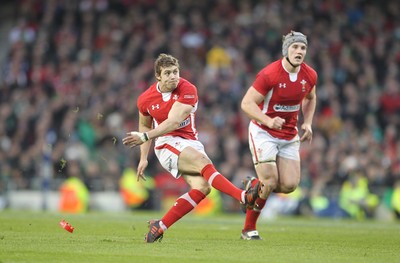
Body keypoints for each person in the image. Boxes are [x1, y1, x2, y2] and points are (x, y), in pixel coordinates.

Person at [122, 53, 261, 243]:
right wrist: (143, 157)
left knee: (203, 188)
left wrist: (145, 136)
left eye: (175, 72)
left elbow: (173, 121)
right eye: (168, 73)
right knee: (203, 162)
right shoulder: (145, 99)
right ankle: (243, 197)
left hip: (190, 141)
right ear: (158, 76)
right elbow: (145, 125)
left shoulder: (187, 89)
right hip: (165, 144)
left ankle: (160, 226)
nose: (173, 76)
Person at [239, 31, 317, 240]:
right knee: (271, 181)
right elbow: (246, 103)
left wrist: (308, 123)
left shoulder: (309, 75)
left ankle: (253, 188)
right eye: (295, 47)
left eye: (303, 48)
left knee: (289, 186)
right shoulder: (269, 74)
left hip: (289, 135)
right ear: (286, 50)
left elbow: (310, 97)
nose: (299, 51)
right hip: (263, 132)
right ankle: (249, 229)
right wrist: (268, 120)